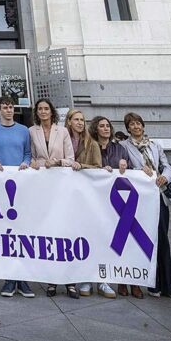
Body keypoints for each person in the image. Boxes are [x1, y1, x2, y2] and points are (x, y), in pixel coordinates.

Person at [123, 112, 171, 300]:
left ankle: (167, 286)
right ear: (128, 128)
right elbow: (125, 169)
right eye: (132, 124)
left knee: (162, 239)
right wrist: (140, 170)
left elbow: (167, 166)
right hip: (140, 199)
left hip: (159, 196)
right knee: (144, 240)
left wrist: (165, 177)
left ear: (143, 126)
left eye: (138, 123)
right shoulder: (124, 146)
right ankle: (152, 285)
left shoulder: (155, 145)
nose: (136, 126)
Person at [29, 97, 76, 298]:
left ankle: (71, 282)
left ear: (51, 111)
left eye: (46, 108)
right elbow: (32, 158)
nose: (43, 111)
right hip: (43, 188)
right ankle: (51, 281)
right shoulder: (32, 131)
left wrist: (57, 162)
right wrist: (38, 164)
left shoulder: (62, 131)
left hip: (61, 186)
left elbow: (71, 159)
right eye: (40, 109)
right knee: (48, 232)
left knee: (65, 231)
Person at [0, 95, 34, 298]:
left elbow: (28, 153)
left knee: (22, 231)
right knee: (5, 233)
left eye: (11, 107)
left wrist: (25, 163)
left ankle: (22, 279)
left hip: (21, 185)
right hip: (0, 186)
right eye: (5, 107)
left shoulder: (24, 130)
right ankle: (9, 279)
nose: (9, 110)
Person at [86, 116, 129, 299]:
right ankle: (88, 277)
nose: (105, 128)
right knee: (91, 237)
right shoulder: (88, 146)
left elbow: (130, 171)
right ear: (95, 129)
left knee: (107, 238)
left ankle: (103, 279)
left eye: (107, 126)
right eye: (101, 126)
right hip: (92, 199)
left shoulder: (120, 149)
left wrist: (125, 165)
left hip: (113, 201)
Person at [66, 109, 98, 296]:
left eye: (82, 120)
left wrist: (81, 166)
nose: (80, 123)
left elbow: (97, 167)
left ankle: (89, 278)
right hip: (66, 196)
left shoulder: (91, 143)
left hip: (85, 196)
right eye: (76, 119)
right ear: (69, 121)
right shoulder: (63, 140)